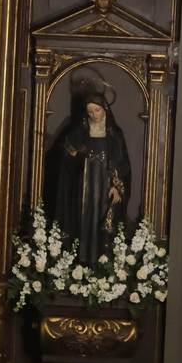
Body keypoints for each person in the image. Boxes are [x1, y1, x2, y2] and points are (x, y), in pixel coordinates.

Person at [43, 89, 132, 265]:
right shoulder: (79, 130)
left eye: (97, 110)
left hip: (105, 187)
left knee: (102, 224)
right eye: (90, 111)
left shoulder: (114, 133)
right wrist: (72, 154)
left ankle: (101, 263)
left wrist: (116, 185)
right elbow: (66, 157)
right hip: (83, 186)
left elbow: (122, 163)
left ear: (105, 108)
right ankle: (80, 263)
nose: (94, 115)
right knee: (82, 221)